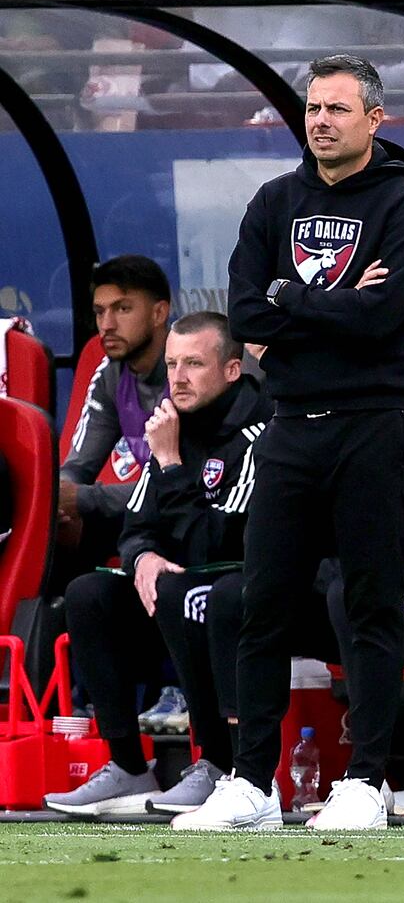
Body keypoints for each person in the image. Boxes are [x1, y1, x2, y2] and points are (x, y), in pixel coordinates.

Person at [172, 53, 404, 832]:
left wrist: (295, 300)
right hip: (292, 429)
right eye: (312, 109)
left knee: (368, 606)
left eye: (337, 109)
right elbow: (247, 316)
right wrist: (326, 302)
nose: (320, 121)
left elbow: (384, 319)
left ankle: (366, 782)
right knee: (262, 605)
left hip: (376, 424)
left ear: (374, 119)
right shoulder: (273, 201)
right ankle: (252, 783)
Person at [165, 384, 404, 820]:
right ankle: (237, 775)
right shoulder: (293, 435)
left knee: (350, 595)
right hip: (348, 587)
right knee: (238, 598)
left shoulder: (399, 428)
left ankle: (370, 779)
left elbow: (400, 559)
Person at [43, 311, 273, 816]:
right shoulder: (172, 424)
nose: (178, 377)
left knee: (180, 588)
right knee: (89, 593)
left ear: (233, 369)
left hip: (237, 599)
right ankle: (128, 766)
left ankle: (218, 764)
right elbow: (136, 526)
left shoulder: (259, 434)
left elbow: (219, 541)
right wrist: (143, 555)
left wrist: (169, 465)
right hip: (178, 595)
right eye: (171, 364)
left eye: (194, 363)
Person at [57, 254, 171, 572]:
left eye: (122, 309)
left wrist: (81, 499)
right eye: (99, 312)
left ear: (159, 312)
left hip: (196, 517)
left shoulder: (191, 374)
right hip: (144, 515)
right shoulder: (110, 374)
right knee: (56, 529)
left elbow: (188, 488)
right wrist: (60, 500)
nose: (106, 325)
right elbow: (77, 467)